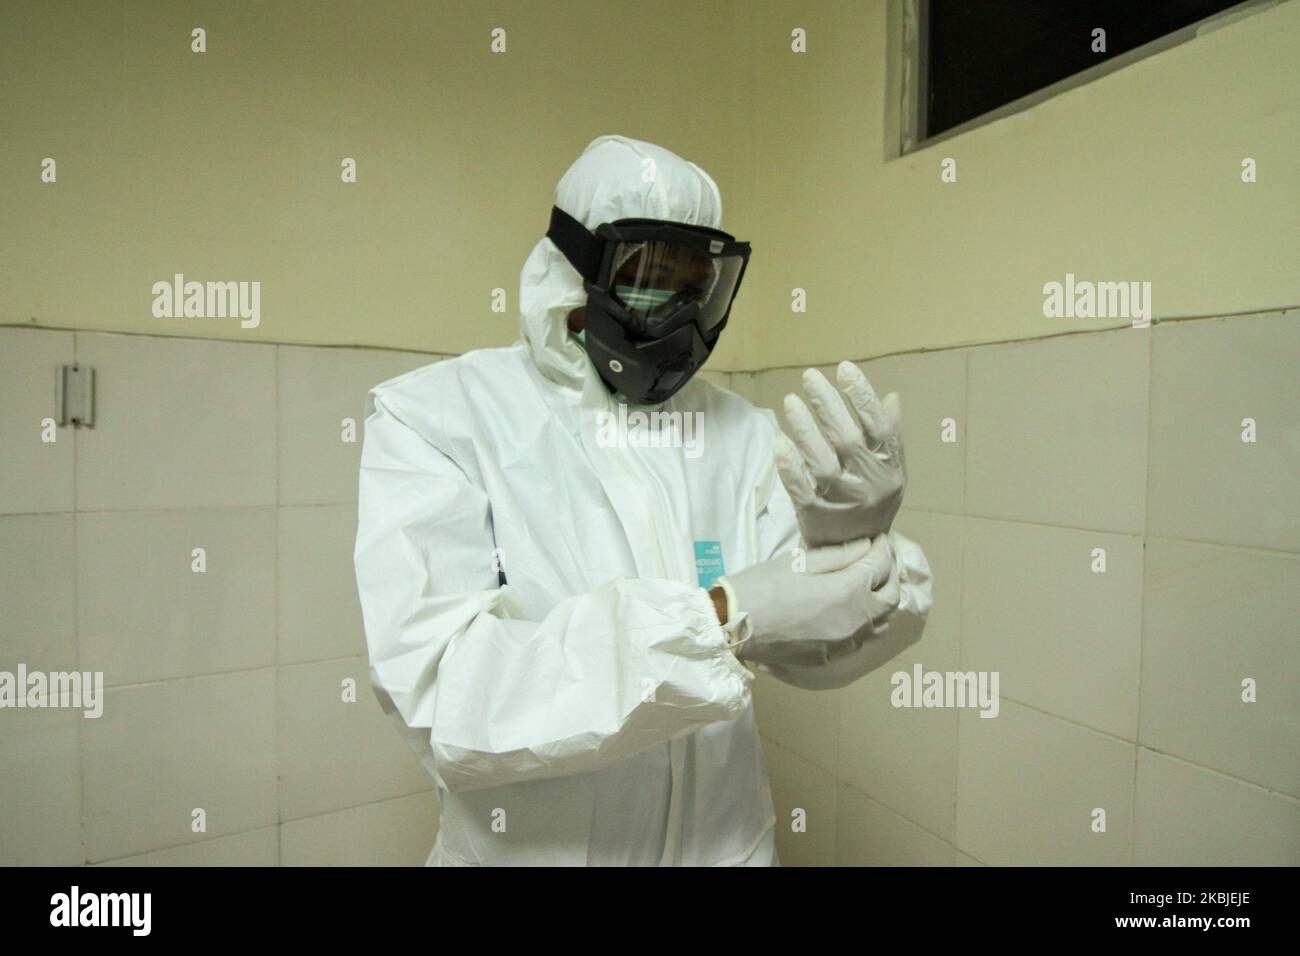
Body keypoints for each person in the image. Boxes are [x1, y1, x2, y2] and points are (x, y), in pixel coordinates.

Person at [353, 134, 933, 866]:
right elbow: (446, 697)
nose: (682, 314)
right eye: (653, 278)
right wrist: (717, 619)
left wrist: (852, 548)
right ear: (577, 270)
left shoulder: (738, 434)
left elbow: (822, 649)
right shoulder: (441, 420)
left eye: (701, 288)